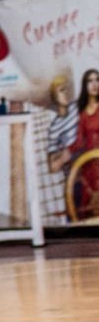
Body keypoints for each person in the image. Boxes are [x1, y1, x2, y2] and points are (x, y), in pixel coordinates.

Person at [71, 69, 99, 220]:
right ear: (85, 86)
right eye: (90, 81)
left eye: (97, 80)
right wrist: (63, 154)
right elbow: (78, 143)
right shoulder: (81, 114)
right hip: (88, 167)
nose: (94, 84)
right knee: (90, 208)